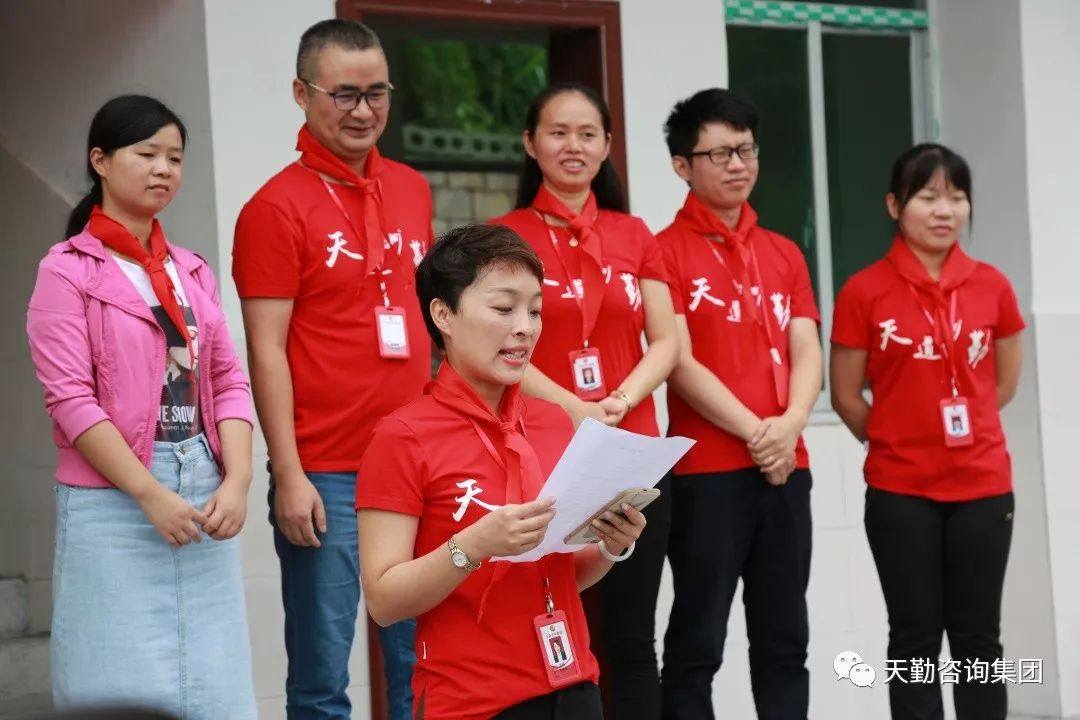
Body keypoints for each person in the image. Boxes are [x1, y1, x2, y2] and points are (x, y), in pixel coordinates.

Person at [356, 224, 647, 720]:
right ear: (443, 314)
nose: (525, 327)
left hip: (574, 685)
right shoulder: (402, 436)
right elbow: (384, 601)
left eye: (534, 310)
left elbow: (560, 574)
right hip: (472, 701)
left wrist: (609, 545)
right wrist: (473, 545)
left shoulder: (552, 421)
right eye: (503, 308)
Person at [26, 95, 256, 719]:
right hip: (113, 499)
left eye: (175, 158)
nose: (164, 169)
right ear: (100, 161)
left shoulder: (193, 272)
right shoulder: (66, 271)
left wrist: (237, 480)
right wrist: (150, 494)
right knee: (114, 677)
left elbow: (227, 379)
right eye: (147, 153)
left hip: (202, 487)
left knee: (216, 683)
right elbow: (71, 400)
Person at [231, 18, 430, 720]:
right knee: (323, 677)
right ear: (302, 93)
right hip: (327, 472)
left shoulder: (412, 189)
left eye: (377, 92)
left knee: (424, 667)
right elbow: (266, 349)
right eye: (344, 93)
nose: (363, 110)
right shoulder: (273, 208)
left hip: (416, 461)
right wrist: (288, 472)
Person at [489, 82, 678, 719]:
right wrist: (577, 408)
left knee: (631, 638)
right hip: (542, 455)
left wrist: (619, 398)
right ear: (530, 143)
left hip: (632, 456)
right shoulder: (503, 236)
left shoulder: (634, 233)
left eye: (587, 134)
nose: (573, 146)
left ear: (606, 145)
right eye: (558, 132)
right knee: (544, 625)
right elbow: (497, 345)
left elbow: (667, 340)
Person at [830, 143, 1024, 720]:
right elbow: (845, 395)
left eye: (957, 197)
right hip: (901, 491)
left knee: (979, 640)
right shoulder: (864, 290)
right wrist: (898, 438)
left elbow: (1003, 384)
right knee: (914, 640)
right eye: (928, 196)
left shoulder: (993, 285)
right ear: (895, 205)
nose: (945, 210)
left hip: (983, 487)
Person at [657, 88, 823, 720]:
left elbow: (806, 348)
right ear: (682, 165)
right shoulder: (662, 250)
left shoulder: (783, 251)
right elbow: (678, 361)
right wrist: (762, 433)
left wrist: (791, 425)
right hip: (708, 475)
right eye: (720, 152)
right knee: (697, 644)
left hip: (787, 469)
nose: (737, 164)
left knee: (785, 642)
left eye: (746, 149)